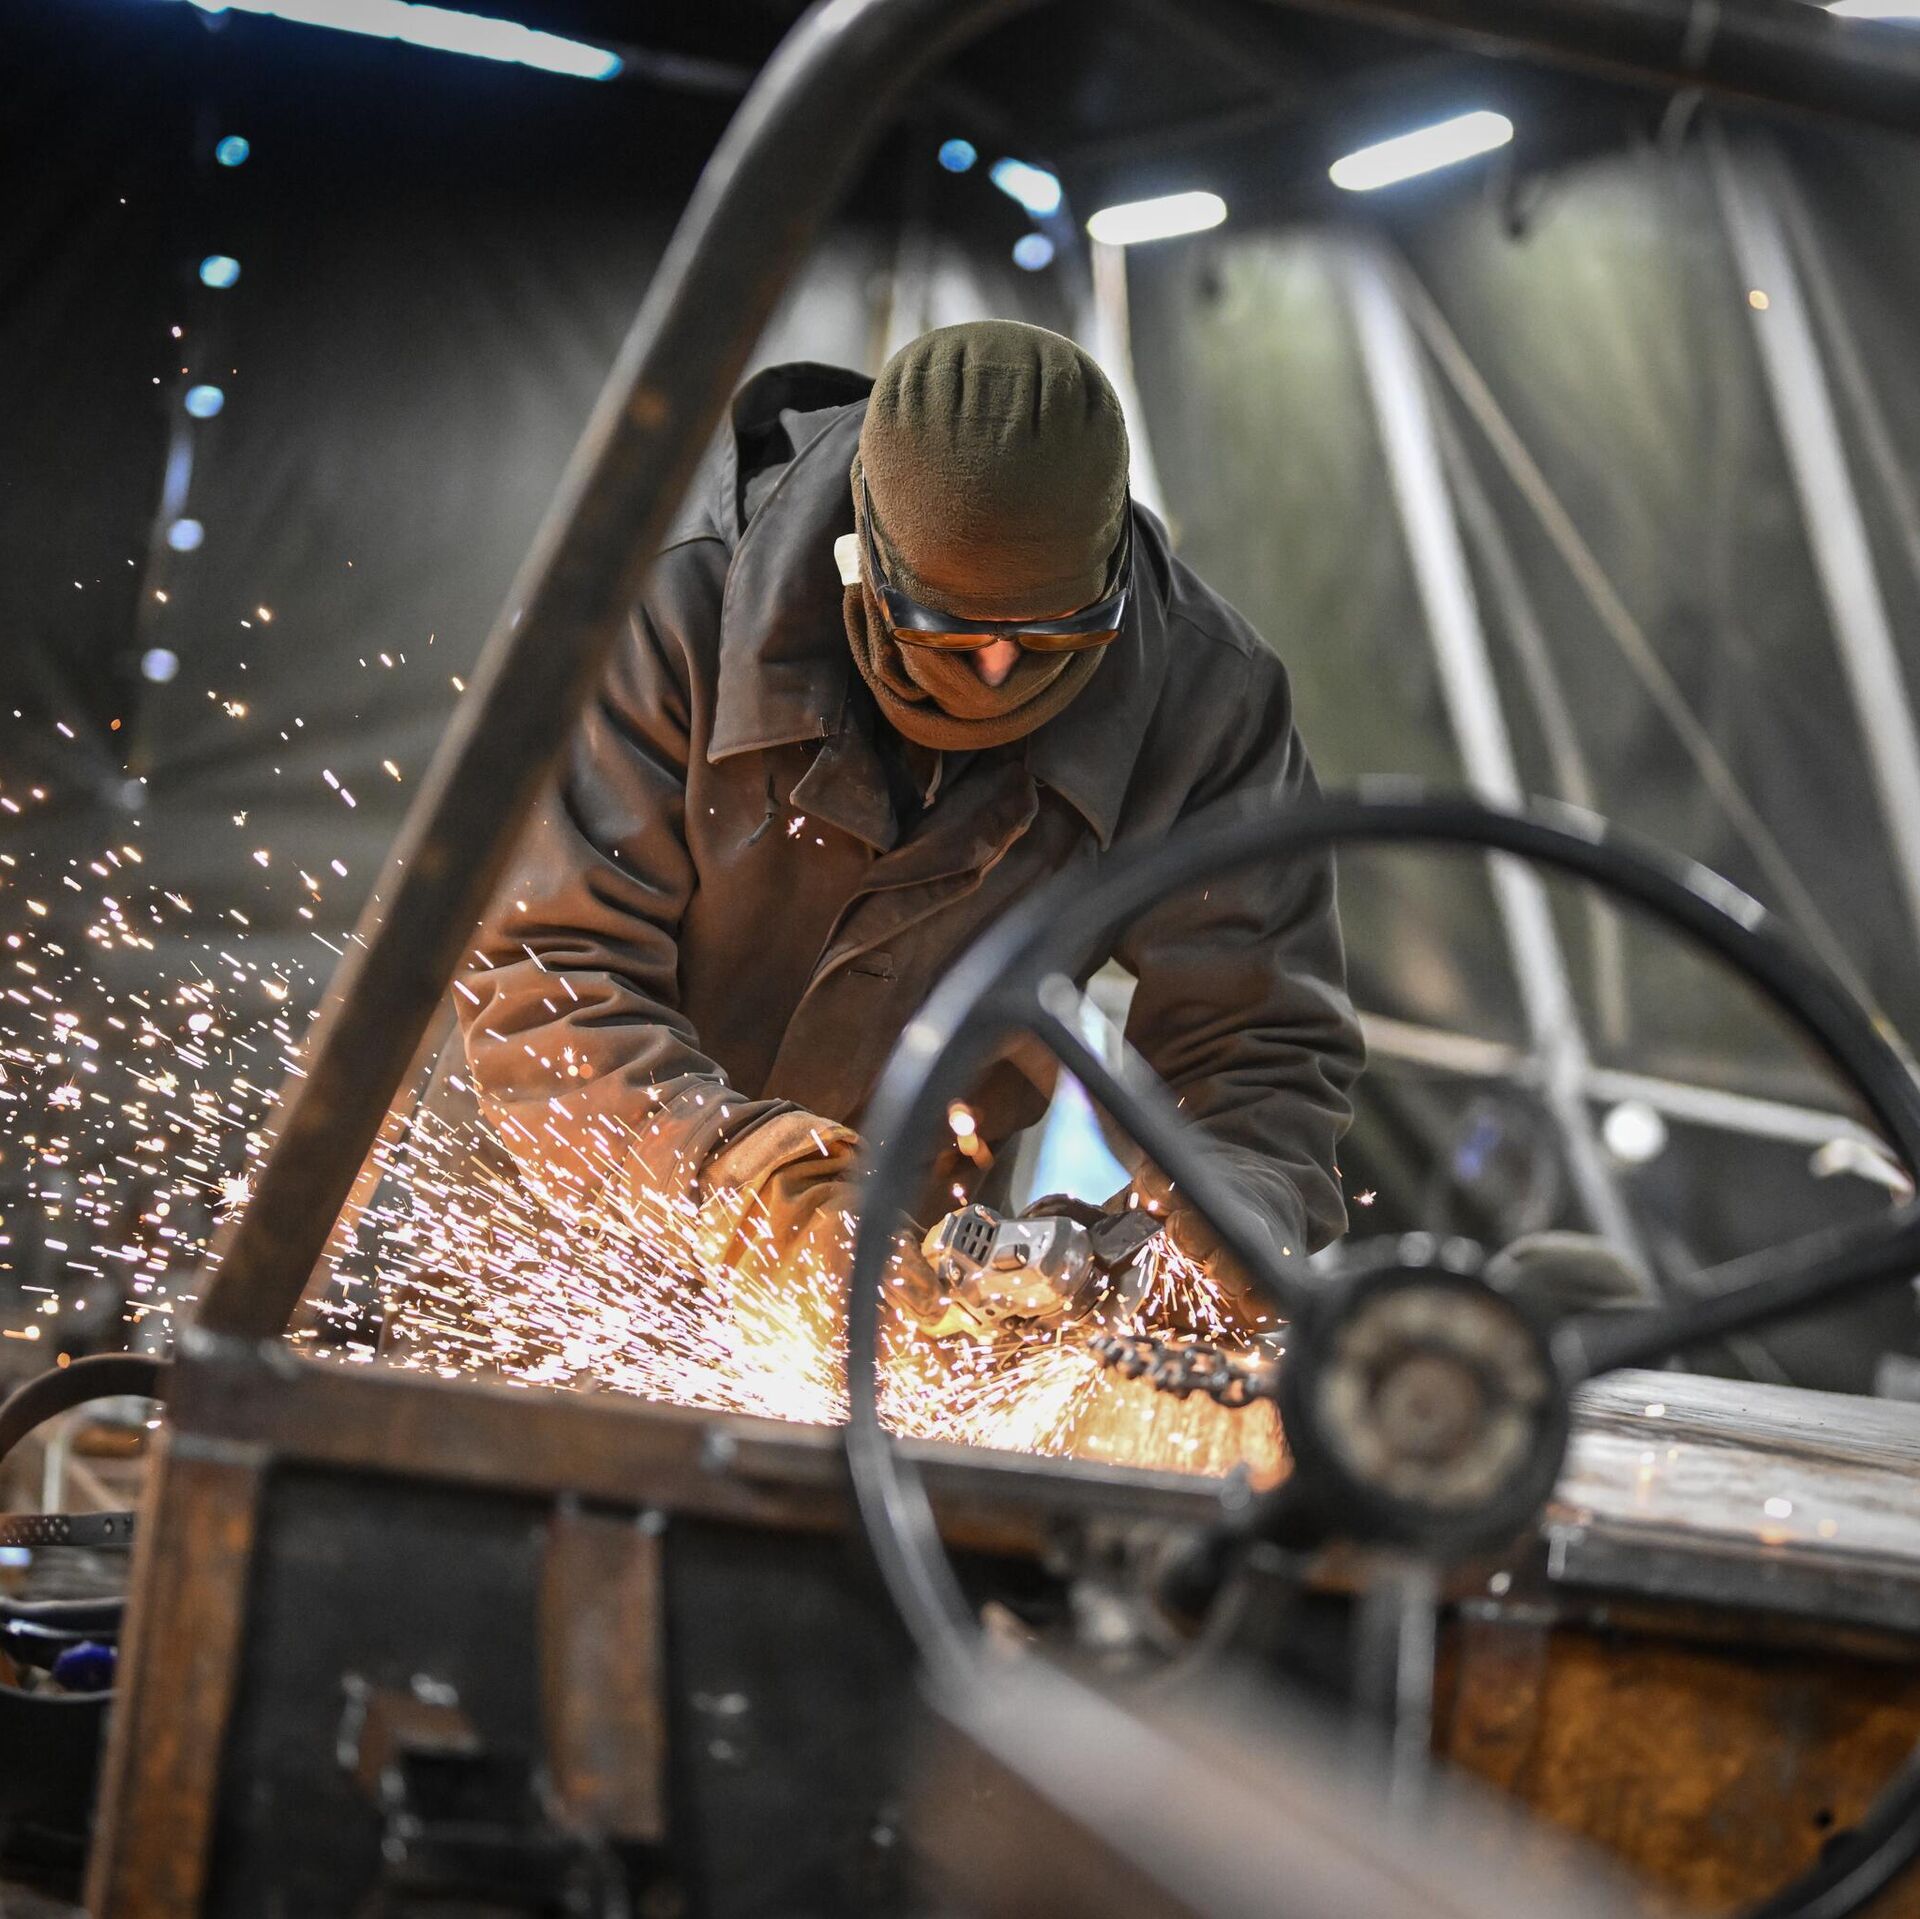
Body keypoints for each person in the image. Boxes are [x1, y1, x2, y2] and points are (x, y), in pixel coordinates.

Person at [456, 320, 1363, 1332]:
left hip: (907, 1292)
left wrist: (1200, 1237)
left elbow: (1258, 1051)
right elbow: (549, 978)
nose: (997, 669)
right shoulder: (669, 606)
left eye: (1050, 632)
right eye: (951, 627)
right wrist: (767, 1192)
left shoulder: (1206, 698)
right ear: (865, 562)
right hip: (569, 1237)